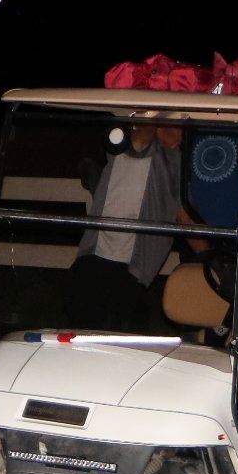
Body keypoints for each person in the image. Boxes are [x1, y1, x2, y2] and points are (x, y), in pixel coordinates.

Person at [67, 125, 182, 331]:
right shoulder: (122, 146)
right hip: (94, 262)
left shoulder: (173, 161)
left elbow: (182, 211)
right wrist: (157, 123)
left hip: (133, 271)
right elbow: (140, 141)